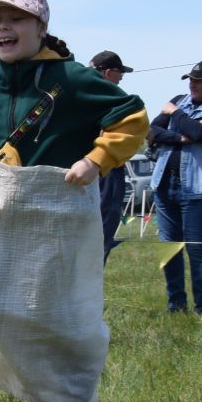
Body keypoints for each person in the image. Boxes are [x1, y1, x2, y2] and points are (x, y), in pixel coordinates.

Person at [0, 0, 147, 214]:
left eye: (16, 18)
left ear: (41, 27)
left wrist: (96, 160)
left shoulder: (72, 76)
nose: (3, 27)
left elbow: (133, 117)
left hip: (64, 213)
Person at [146, 59, 202, 315]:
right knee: (169, 248)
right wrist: (180, 136)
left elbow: (197, 133)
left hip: (194, 188)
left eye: (199, 80)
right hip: (163, 184)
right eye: (191, 79)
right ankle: (176, 304)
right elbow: (152, 132)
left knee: (197, 250)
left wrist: (175, 114)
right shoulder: (179, 99)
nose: (192, 84)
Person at [89, 51, 135, 258]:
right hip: (105, 170)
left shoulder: (74, 94)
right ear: (108, 73)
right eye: (120, 73)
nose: (121, 78)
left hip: (75, 169)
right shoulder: (114, 99)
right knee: (103, 232)